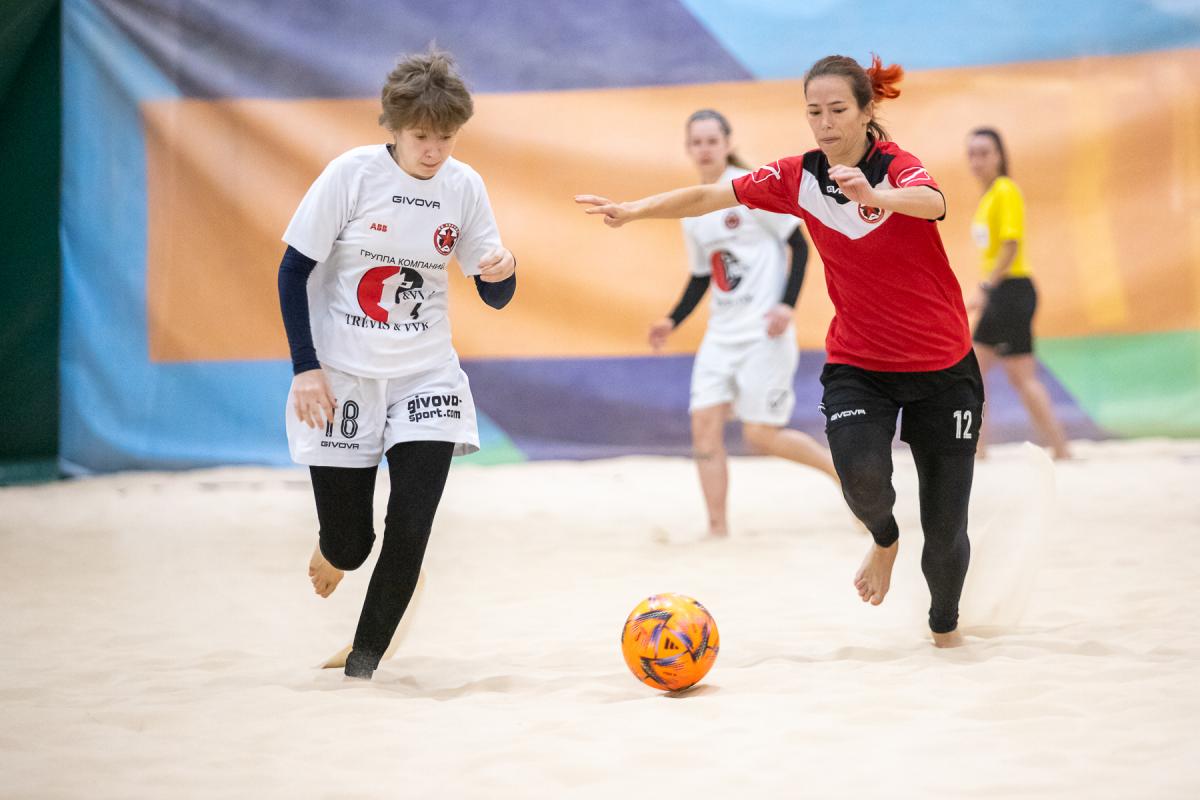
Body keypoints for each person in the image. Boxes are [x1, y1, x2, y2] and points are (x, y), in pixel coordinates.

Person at [578, 55, 982, 648]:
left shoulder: (896, 165)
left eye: (838, 110)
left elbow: (933, 201)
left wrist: (877, 194)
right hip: (861, 362)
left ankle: (945, 634)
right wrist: (635, 210)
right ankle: (884, 539)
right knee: (861, 478)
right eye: (814, 112)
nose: (825, 123)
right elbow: (710, 195)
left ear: (867, 110)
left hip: (943, 364)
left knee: (945, 532)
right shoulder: (797, 177)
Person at [277, 50, 516, 679]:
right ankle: (336, 548)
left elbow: (493, 292)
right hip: (345, 375)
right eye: (420, 136)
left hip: (426, 374)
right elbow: (292, 272)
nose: (434, 150)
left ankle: (362, 667)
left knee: (410, 526)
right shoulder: (351, 176)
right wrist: (306, 368)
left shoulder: (463, 186)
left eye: (446, 137)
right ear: (393, 127)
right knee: (352, 545)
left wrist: (503, 273)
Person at [652, 109, 836, 537]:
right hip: (721, 335)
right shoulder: (691, 208)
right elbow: (703, 275)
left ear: (727, 144)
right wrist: (671, 320)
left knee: (761, 436)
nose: (704, 149)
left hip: (763, 332)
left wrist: (786, 305)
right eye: (697, 142)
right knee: (703, 426)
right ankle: (717, 530)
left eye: (712, 141)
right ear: (688, 148)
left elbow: (799, 245)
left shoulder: (749, 189)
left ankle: (843, 478)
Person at [965, 128, 1070, 460]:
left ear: (1000, 156)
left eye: (984, 153)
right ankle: (977, 449)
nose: (977, 160)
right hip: (1000, 292)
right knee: (974, 372)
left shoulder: (1006, 191)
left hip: (1011, 291)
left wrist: (985, 288)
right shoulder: (989, 197)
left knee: (1021, 376)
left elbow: (1010, 246)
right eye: (972, 154)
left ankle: (1061, 448)